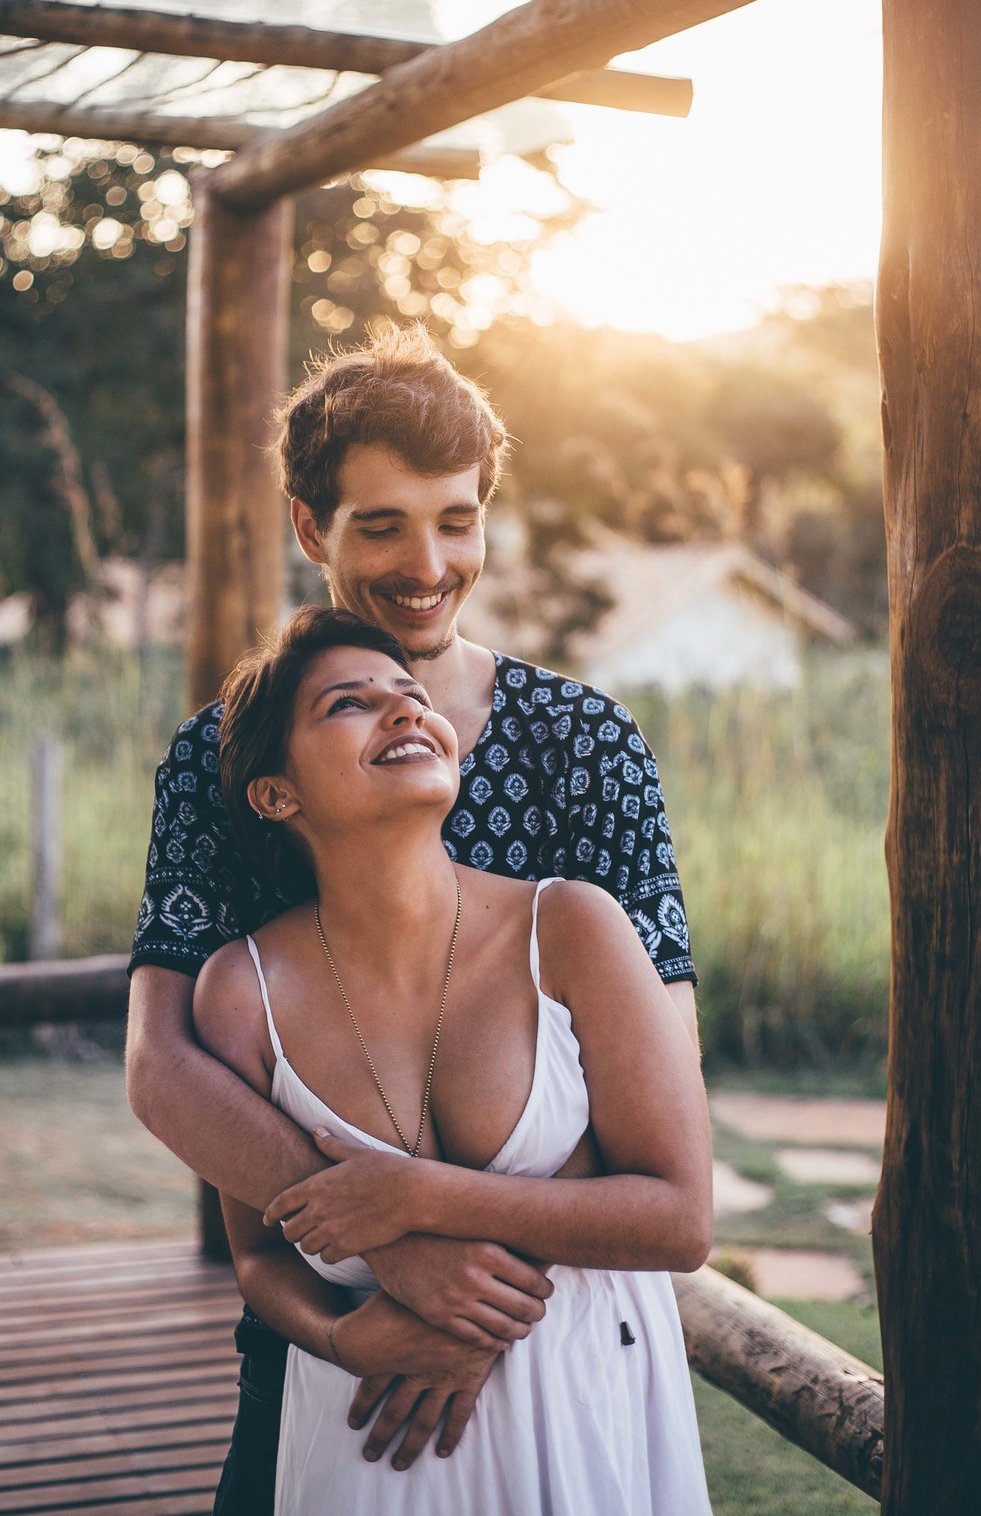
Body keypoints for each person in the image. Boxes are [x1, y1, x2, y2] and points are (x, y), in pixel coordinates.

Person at [126, 327, 699, 1510]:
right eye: (379, 523)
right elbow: (168, 1062)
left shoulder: (585, 745)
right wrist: (391, 1259)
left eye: (454, 518)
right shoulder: (222, 759)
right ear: (309, 529)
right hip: (337, 1320)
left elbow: (661, 1072)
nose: (425, 562)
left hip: (562, 1323)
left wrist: (478, 1289)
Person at [192, 604, 714, 1514]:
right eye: (348, 704)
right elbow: (260, 1257)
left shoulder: (574, 928)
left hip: (580, 1406)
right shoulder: (241, 993)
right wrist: (341, 1338)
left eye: (411, 695)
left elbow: (680, 1218)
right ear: (277, 795)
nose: (404, 712)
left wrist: (419, 1199)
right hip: (364, 1433)